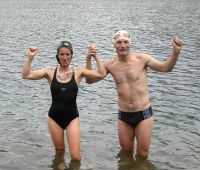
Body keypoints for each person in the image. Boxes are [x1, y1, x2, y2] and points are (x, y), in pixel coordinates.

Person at [86, 30, 182, 158]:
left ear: (130, 44)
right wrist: (89, 58)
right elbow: (90, 80)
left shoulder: (142, 59)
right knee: (126, 154)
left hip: (143, 113)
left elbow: (166, 68)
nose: (122, 45)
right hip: (124, 115)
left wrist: (175, 53)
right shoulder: (110, 65)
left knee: (142, 154)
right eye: (119, 42)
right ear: (114, 45)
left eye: (125, 42)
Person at [22, 41, 105, 161]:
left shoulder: (78, 72)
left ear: (71, 55)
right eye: (62, 54)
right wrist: (30, 57)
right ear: (57, 56)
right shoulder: (50, 72)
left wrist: (95, 56)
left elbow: (101, 73)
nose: (65, 57)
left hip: (72, 118)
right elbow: (26, 75)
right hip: (54, 118)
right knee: (59, 152)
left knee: (76, 157)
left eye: (67, 54)